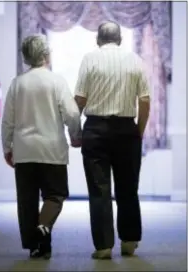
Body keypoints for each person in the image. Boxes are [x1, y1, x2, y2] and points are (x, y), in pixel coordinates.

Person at [74, 21, 150, 259]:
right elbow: (145, 101)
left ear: (98, 39)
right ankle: (129, 241)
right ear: (120, 39)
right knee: (128, 188)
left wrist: (76, 132)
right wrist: (139, 130)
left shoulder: (89, 59)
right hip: (127, 130)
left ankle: (104, 246)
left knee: (99, 190)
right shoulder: (135, 60)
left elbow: (79, 100)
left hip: (95, 129)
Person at [1, 34, 81, 259]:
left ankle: (36, 246)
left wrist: (7, 147)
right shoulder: (57, 81)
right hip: (52, 150)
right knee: (55, 195)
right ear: (46, 55)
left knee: (27, 201)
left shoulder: (17, 83)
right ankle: (43, 226)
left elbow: (8, 120)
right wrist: (76, 135)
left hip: (24, 151)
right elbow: (72, 113)